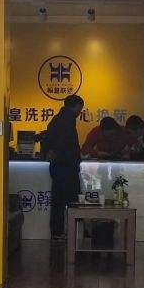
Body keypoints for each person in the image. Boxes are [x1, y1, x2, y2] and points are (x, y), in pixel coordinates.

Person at [39, 93, 84, 240]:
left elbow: (52, 140)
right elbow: (65, 143)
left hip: (58, 166)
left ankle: (57, 232)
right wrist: (75, 159)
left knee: (58, 200)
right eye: (80, 109)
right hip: (66, 166)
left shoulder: (57, 119)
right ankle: (74, 233)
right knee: (72, 201)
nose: (79, 112)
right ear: (77, 106)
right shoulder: (68, 120)